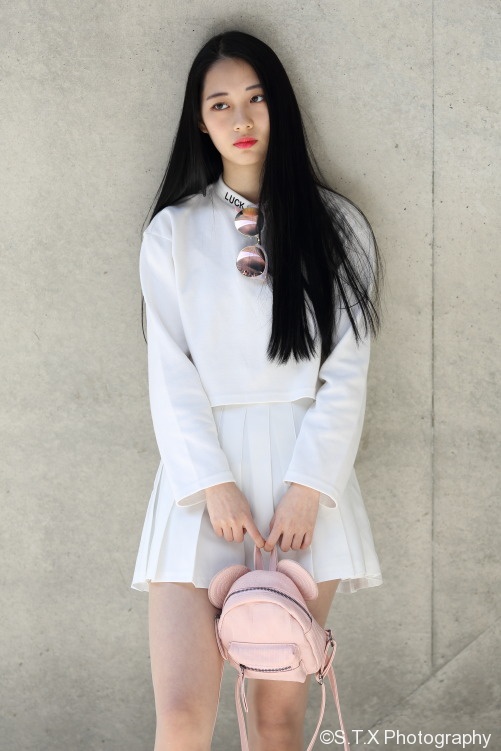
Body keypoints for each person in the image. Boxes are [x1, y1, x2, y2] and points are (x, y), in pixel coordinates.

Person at [131, 29, 385, 751]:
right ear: (200, 121)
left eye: (256, 98)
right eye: (220, 105)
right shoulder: (172, 234)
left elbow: (347, 369)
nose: (240, 120)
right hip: (199, 486)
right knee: (182, 714)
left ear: (280, 107)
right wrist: (212, 483)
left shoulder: (338, 227)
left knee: (277, 720)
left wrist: (308, 488)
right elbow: (169, 371)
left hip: (303, 484)